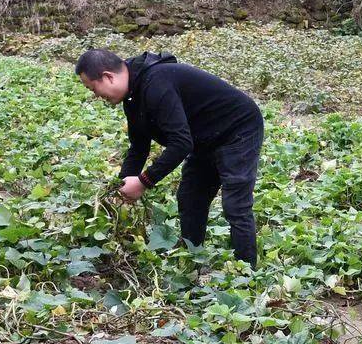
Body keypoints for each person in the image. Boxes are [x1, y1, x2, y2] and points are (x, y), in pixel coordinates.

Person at [75, 48, 264, 266]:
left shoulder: (156, 83)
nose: (96, 96)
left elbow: (181, 143)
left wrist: (144, 182)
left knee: (235, 204)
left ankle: (247, 273)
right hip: (204, 136)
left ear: (108, 76)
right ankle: (192, 261)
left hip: (237, 128)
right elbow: (138, 147)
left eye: (94, 89)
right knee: (191, 197)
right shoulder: (132, 97)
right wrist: (122, 184)